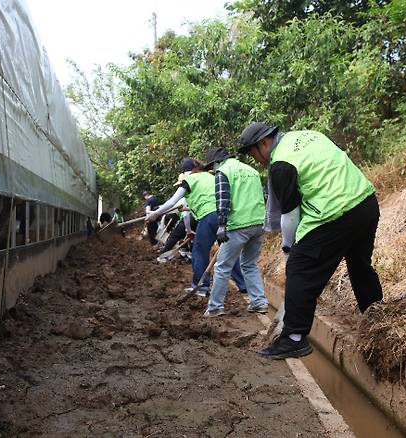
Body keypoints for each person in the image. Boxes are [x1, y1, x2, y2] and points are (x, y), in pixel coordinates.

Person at [238, 122, 383, 360]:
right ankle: (378, 319)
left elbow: (290, 216)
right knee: (360, 267)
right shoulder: (309, 135)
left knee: (299, 268)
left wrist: (288, 249)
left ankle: (294, 338)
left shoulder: (282, 163)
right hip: (365, 203)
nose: (256, 160)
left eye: (253, 154)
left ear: (263, 143)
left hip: (334, 213)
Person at [147, 157, 249, 297]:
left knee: (199, 252)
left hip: (209, 217)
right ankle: (243, 284)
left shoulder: (188, 181)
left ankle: (200, 287)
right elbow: (206, 199)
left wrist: (155, 214)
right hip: (224, 216)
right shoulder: (210, 176)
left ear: (186, 172)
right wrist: (185, 208)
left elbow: (171, 202)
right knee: (228, 252)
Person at [201, 147, 269, 316]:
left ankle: (215, 307)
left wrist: (222, 225)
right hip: (259, 223)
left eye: (212, 166)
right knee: (249, 264)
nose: (213, 169)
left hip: (239, 224)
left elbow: (223, 199)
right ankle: (259, 303)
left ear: (216, 162)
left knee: (222, 266)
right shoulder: (251, 170)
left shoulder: (223, 171)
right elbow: (263, 195)